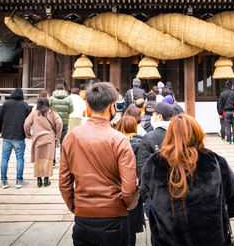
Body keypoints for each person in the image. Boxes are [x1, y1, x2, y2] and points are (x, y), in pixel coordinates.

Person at [139, 114, 234, 246]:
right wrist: (218, 216)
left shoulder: (154, 162)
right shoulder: (215, 161)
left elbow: (143, 193)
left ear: (169, 135)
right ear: (198, 132)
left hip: (168, 238)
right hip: (212, 238)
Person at [59, 82, 139, 246]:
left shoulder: (71, 137)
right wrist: (127, 205)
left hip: (82, 215)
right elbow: (129, 186)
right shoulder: (120, 140)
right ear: (112, 107)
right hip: (114, 216)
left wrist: (76, 207)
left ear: (88, 104)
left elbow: (64, 182)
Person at [116, 116, 146, 246]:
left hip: (115, 187)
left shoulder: (114, 142)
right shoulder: (143, 143)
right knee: (131, 227)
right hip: (134, 188)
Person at [0, 88, 31, 189]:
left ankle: (4, 181)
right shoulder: (24, 105)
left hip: (7, 134)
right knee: (20, 158)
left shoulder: (6, 104)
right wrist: (28, 133)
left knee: (5, 158)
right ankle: (19, 180)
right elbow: (28, 121)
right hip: (19, 135)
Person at [24, 97, 63, 188]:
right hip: (49, 138)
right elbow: (60, 123)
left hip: (37, 138)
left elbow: (26, 124)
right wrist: (57, 136)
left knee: (38, 159)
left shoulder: (34, 113)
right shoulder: (52, 112)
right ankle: (46, 180)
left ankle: (38, 180)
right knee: (48, 159)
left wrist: (28, 135)